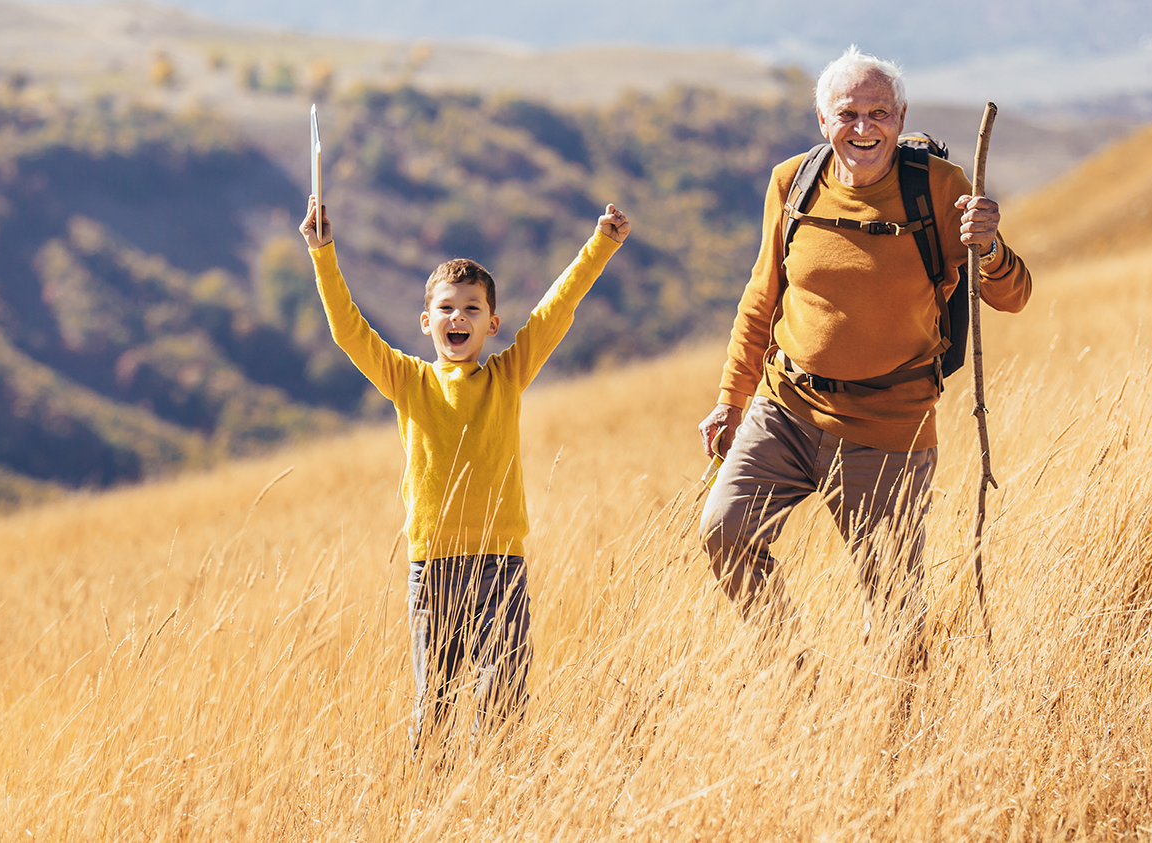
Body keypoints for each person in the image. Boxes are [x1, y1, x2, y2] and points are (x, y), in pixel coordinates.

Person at [697, 46, 1032, 667]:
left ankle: (896, 736)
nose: (863, 128)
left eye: (879, 112)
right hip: (787, 407)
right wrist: (730, 400)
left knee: (896, 608)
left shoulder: (940, 188)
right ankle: (796, 677)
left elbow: (1013, 296)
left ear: (901, 118)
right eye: (847, 113)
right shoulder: (791, 182)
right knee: (725, 529)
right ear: (823, 121)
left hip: (890, 427)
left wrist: (987, 250)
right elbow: (761, 296)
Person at [300, 195, 631, 748]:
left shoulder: (506, 376)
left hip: (502, 565)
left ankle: (495, 801)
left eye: (473, 309)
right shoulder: (408, 381)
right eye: (448, 308)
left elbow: (555, 312)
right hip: (432, 568)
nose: (460, 318)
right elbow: (349, 332)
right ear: (427, 321)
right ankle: (427, 804)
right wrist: (322, 252)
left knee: (505, 703)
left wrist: (601, 246)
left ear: (493, 324)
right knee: (436, 705)